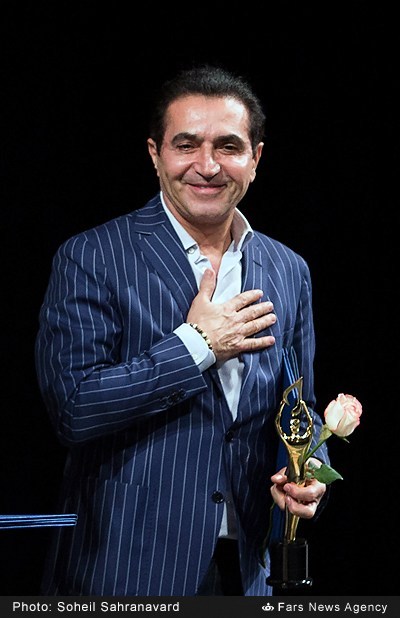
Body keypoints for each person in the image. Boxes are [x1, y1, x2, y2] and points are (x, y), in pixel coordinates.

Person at [35, 64, 329, 597]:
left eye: (229, 147)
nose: (207, 166)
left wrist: (309, 472)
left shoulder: (289, 269)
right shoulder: (93, 256)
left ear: (256, 158)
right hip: (126, 569)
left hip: (249, 569)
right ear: (155, 154)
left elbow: (298, 405)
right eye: (186, 145)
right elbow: (74, 408)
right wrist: (197, 346)